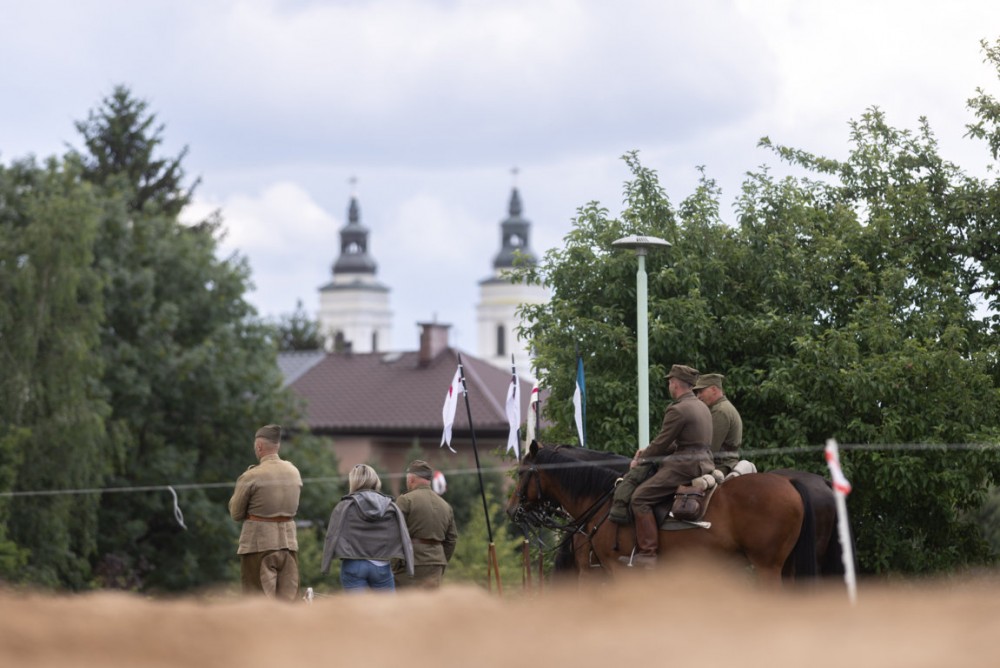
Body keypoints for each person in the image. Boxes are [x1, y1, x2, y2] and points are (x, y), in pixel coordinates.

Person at [623, 364, 714, 568]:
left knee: (640, 497)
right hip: (706, 461)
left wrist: (641, 459)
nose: (669, 386)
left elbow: (662, 442)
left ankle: (647, 553)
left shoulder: (678, 409)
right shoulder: (702, 406)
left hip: (686, 465)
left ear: (675, 384)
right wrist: (647, 452)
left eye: (670, 382)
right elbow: (684, 441)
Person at [228, 424, 303, 600]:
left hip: (259, 545)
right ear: (278, 446)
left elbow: (236, 513)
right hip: (289, 544)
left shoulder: (251, 475)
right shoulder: (294, 472)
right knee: (290, 601)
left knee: (259, 602)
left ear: (259, 446)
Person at [321, 464, 414, 592]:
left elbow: (331, 536)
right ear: (375, 480)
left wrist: (325, 566)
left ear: (353, 481)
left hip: (353, 564)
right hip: (381, 565)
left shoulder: (344, 506)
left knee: (357, 606)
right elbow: (404, 536)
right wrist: (409, 566)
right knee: (387, 606)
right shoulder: (391, 507)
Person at [392, 460, 458, 589]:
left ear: (411, 479)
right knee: (431, 601)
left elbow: (393, 534)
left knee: (407, 601)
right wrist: (441, 559)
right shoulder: (445, 505)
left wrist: (394, 564)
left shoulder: (405, 500)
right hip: (436, 565)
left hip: (409, 565)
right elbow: (451, 540)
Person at [691, 373, 743, 476]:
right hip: (724, 463)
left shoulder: (720, 411)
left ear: (714, 390)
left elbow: (709, 449)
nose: (698, 396)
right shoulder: (722, 407)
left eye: (701, 391)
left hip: (720, 466)